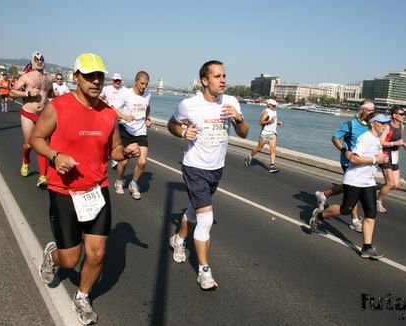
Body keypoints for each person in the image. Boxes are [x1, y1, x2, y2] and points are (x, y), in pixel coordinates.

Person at [30, 53, 140, 325]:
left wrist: (123, 151)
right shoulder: (58, 107)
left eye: (99, 76)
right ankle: (53, 254)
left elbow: (113, 148)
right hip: (64, 191)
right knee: (70, 260)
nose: (95, 81)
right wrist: (55, 157)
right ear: (75, 77)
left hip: (96, 189)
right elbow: (37, 138)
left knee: (97, 253)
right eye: (89, 76)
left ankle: (82, 296)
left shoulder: (107, 113)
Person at [167, 60, 249, 290]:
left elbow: (244, 134)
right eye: (217, 76)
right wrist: (183, 131)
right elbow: (172, 125)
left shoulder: (231, 102)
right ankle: (204, 271)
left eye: (224, 75)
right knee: (206, 219)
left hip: (216, 168)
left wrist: (239, 119)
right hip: (194, 167)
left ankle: (179, 240)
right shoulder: (189, 105)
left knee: (194, 210)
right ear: (205, 80)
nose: (223, 80)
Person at [309, 112, 390, 259]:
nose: (385, 125)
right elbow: (353, 159)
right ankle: (320, 215)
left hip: (368, 182)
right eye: (382, 123)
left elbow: (377, 153)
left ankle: (367, 247)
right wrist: (374, 159)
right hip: (354, 180)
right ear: (373, 124)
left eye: (386, 123)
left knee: (371, 213)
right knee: (346, 210)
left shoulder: (377, 139)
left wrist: (381, 159)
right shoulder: (365, 139)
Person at [314, 99, 376, 233]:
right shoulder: (350, 125)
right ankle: (354, 220)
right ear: (361, 110)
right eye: (369, 110)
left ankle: (324, 195)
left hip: (365, 164)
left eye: (373, 110)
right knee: (355, 190)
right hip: (350, 162)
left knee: (350, 189)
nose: (372, 112)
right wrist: (344, 151)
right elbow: (335, 138)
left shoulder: (373, 126)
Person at [10, 51, 54, 188]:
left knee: (42, 145)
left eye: (41, 59)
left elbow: (50, 95)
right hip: (28, 113)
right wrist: (27, 93)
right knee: (29, 144)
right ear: (32, 61)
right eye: (36, 59)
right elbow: (12, 92)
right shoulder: (26, 77)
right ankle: (26, 160)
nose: (39, 61)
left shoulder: (49, 79)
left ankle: (42, 176)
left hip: (43, 115)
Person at [111, 71, 151, 199]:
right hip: (126, 130)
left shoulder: (148, 95)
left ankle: (133, 184)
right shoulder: (125, 94)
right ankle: (119, 180)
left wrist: (147, 118)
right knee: (124, 162)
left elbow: (148, 107)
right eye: (142, 83)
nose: (144, 87)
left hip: (141, 131)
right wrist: (124, 116)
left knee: (143, 161)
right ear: (136, 81)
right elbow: (113, 108)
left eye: (146, 84)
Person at [376, 106, 406, 212]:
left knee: (395, 185)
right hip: (385, 155)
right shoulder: (387, 127)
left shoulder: (402, 127)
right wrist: (394, 143)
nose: (404, 116)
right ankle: (378, 202)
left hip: (394, 156)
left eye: (404, 114)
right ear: (394, 115)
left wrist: (403, 144)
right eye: (401, 114)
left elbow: (400, 139)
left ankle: (373, 189)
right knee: (390, 183)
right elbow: (380, 142)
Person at [244, 98, 283, 173]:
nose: (275, 106)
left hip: (273, 133)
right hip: (265, 133)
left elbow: (273, 121)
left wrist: (277, 123)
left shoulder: (275, 111)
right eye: (273, 105)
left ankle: (272, 166)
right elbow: (260, 122)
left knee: (273, 149)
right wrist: (270, 120)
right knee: (259, 148)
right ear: (269, 105)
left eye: (275, 105)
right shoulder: (266, 111)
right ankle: (249, 157)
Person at [100, 73, 127, 170]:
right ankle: (106, 154)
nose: (117, 82)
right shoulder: (107, 89)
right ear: (112, 81)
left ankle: (115, 158)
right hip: (107, 117)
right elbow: (98, 97)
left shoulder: (125, 91)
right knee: (107, 138)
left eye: (119, 80)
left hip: (120, 119)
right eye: (116, 80)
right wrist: (103, 102)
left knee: (117, 139)